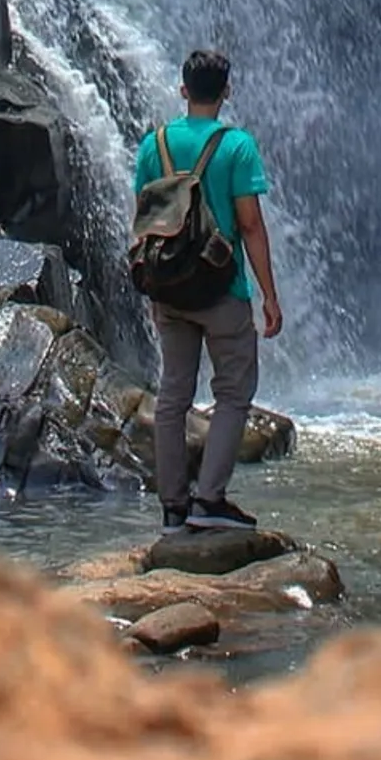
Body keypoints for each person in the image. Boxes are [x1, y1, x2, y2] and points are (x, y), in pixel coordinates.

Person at [132, 48, 282, 534]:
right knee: (234, 392)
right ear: (226, 92)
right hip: (222, 289)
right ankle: (210, 500)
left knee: (173, 396)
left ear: (182, 90)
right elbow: (251, 224)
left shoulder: (153, 145)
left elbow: (145, 221)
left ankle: (173, 507)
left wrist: (152, 282)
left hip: (169, 289)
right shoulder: (237, 146)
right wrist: (269, 296)